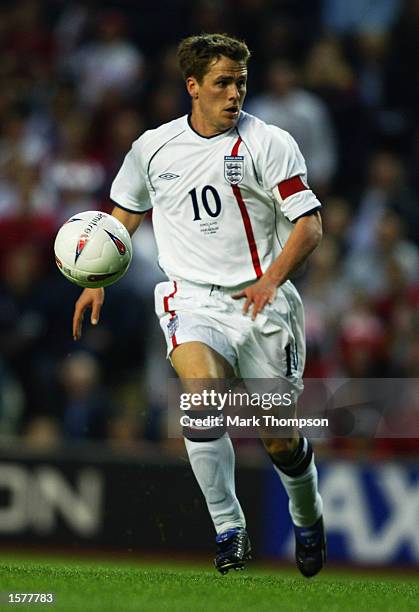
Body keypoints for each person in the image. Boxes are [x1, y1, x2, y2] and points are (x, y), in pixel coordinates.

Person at [72, 33, 326, 577]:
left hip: (264, 303)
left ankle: (308, 514)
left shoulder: (270, 142)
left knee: (279, 439)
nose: (235, 94)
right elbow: (123, 217)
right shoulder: (152, 148)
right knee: (203, 396)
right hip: (190, 298)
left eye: (240, 83)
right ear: (193, 86)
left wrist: (269, 281)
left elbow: (308, 226)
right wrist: (96, 278)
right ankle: (229, 529)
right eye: (222, 83)